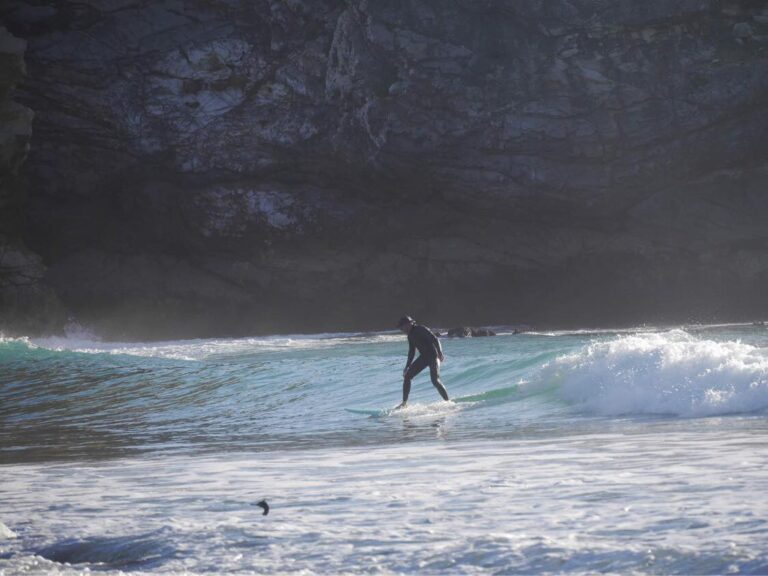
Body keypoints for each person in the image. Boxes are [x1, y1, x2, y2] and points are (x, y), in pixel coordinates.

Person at [395, 315, 449, 409]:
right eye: (401, 328)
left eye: (402, 327)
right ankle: (404, 403)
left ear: (409, 324)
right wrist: (407, 366)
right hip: (424, 357)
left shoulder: (421, 329)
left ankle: (448, 402)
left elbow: (435, 339)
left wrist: (440, 352)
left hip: (433, 356)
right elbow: (411, 352)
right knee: (407, 377)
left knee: (435, 380)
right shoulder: (410, 336)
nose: (402, 330)